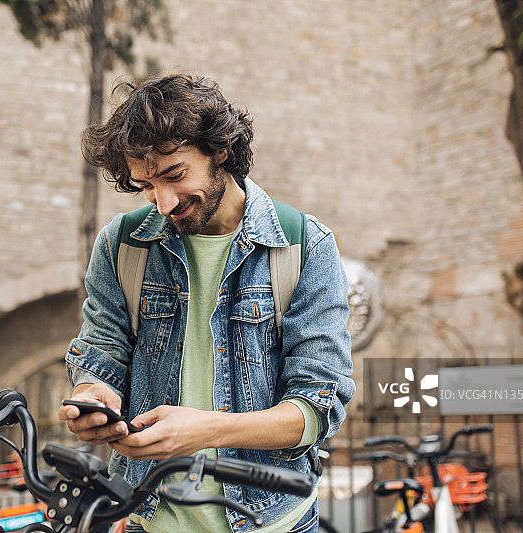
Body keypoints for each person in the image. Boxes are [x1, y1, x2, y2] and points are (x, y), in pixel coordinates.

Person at [58, 74, 354, 533]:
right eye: (146, 186)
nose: (163, 203)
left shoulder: (304, 246)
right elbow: (102, 351)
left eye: (175, 175)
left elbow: (317, 408)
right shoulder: (122, 244)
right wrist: (93, 394)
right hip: (145, 517)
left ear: (221, 151)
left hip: (270, 523)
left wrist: (207, 429)